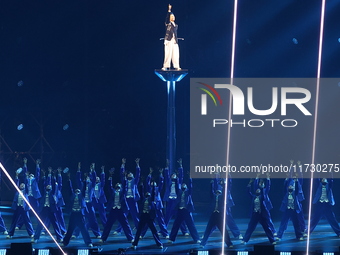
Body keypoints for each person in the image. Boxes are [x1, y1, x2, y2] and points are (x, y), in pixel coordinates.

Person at [99, 169, 134, 243]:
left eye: (119, 185)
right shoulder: (113, 192)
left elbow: (125, 186)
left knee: (125, 224)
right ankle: (103, 238)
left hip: (120, 210)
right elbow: (109, 186)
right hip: (113, 210)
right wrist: (110, 176)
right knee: (108, 225)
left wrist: (124, 177)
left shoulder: (122, 192)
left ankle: (130, 238)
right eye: (117, 185)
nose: (118, 185)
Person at [61, 171, 93, 247]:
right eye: (76, 191)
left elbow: (84, 189)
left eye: (78, 191)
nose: (77, 191)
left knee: (84, 229)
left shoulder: (81, 196)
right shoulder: (72, 196)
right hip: (73, 214)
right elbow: (70, 188)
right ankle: (65, 242)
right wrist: (68, 179)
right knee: (70, 230)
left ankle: (88, 242)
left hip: (80, 214)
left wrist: (85, 180)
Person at [31, 168, 63, 243]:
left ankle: (59, 237)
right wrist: (44, 175)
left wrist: (51, 174)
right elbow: (43, 184)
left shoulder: (53, 192)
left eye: (49, 185)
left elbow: (53, 183)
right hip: (44, 209)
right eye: (47, 185)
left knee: (55, 224)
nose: (48, 186)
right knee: (40, 223)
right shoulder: (43, 192)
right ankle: (36, 238)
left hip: (51, 209)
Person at [200, 177, 233, 248]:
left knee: (224, 230)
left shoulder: (222, 197)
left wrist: (224, 184)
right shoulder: (214, 197)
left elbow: (224, 191)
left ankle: (229, 244)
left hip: (219, 214)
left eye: (219, 192)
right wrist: (211, 184)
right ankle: (203, 243)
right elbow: (210, 191)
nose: (218, 193)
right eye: (217, 192)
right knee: (208, 230)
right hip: (213, 214)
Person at [242, 176, 276, 245]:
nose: (257, 190)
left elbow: (264, 194)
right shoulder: (253, 197)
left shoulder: (262, 196)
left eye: (259, 190)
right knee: (250, 227)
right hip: (255, 214)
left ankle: (272, 240)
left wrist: (262, 187)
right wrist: (249, 184)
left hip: (262, 214)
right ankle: (245, 240)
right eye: (257, 190)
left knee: (267, 227)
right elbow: (248, 192)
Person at [168, 172, 200, 244]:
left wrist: (190, 178)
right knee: (176, 225)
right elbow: (176, 186)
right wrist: (175, 179)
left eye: (185, 184)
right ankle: (171, 239)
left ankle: (196, 238)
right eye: (182, 184)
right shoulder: (179, 191)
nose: (183, 185)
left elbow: (190, 187)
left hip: (186, 210)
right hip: (180, 210)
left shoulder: (188, 192)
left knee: (191, 225)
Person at [7, 169, 34, 239]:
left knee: (27, 221)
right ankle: (10, 234)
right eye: (21, 184)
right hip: (17, 207)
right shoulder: (17, 191)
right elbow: (16, 183)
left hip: (24, 208)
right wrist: (16, 176)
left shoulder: (26, 192)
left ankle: (31, 233)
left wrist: (27, 177)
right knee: (14, 221)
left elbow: (27, 183)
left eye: (23, 184)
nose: (22, 185)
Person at [162, 4, 181, 70]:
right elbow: (167, 18)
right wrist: (169, 11)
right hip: (168, 40)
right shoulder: (168, 24)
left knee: (176, 53)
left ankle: (177, 66)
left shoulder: (176, 25)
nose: (173, 17)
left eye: (173, 16)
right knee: (168, 54)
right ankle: (165, 66)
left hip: (174, 41)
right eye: (171, 16)